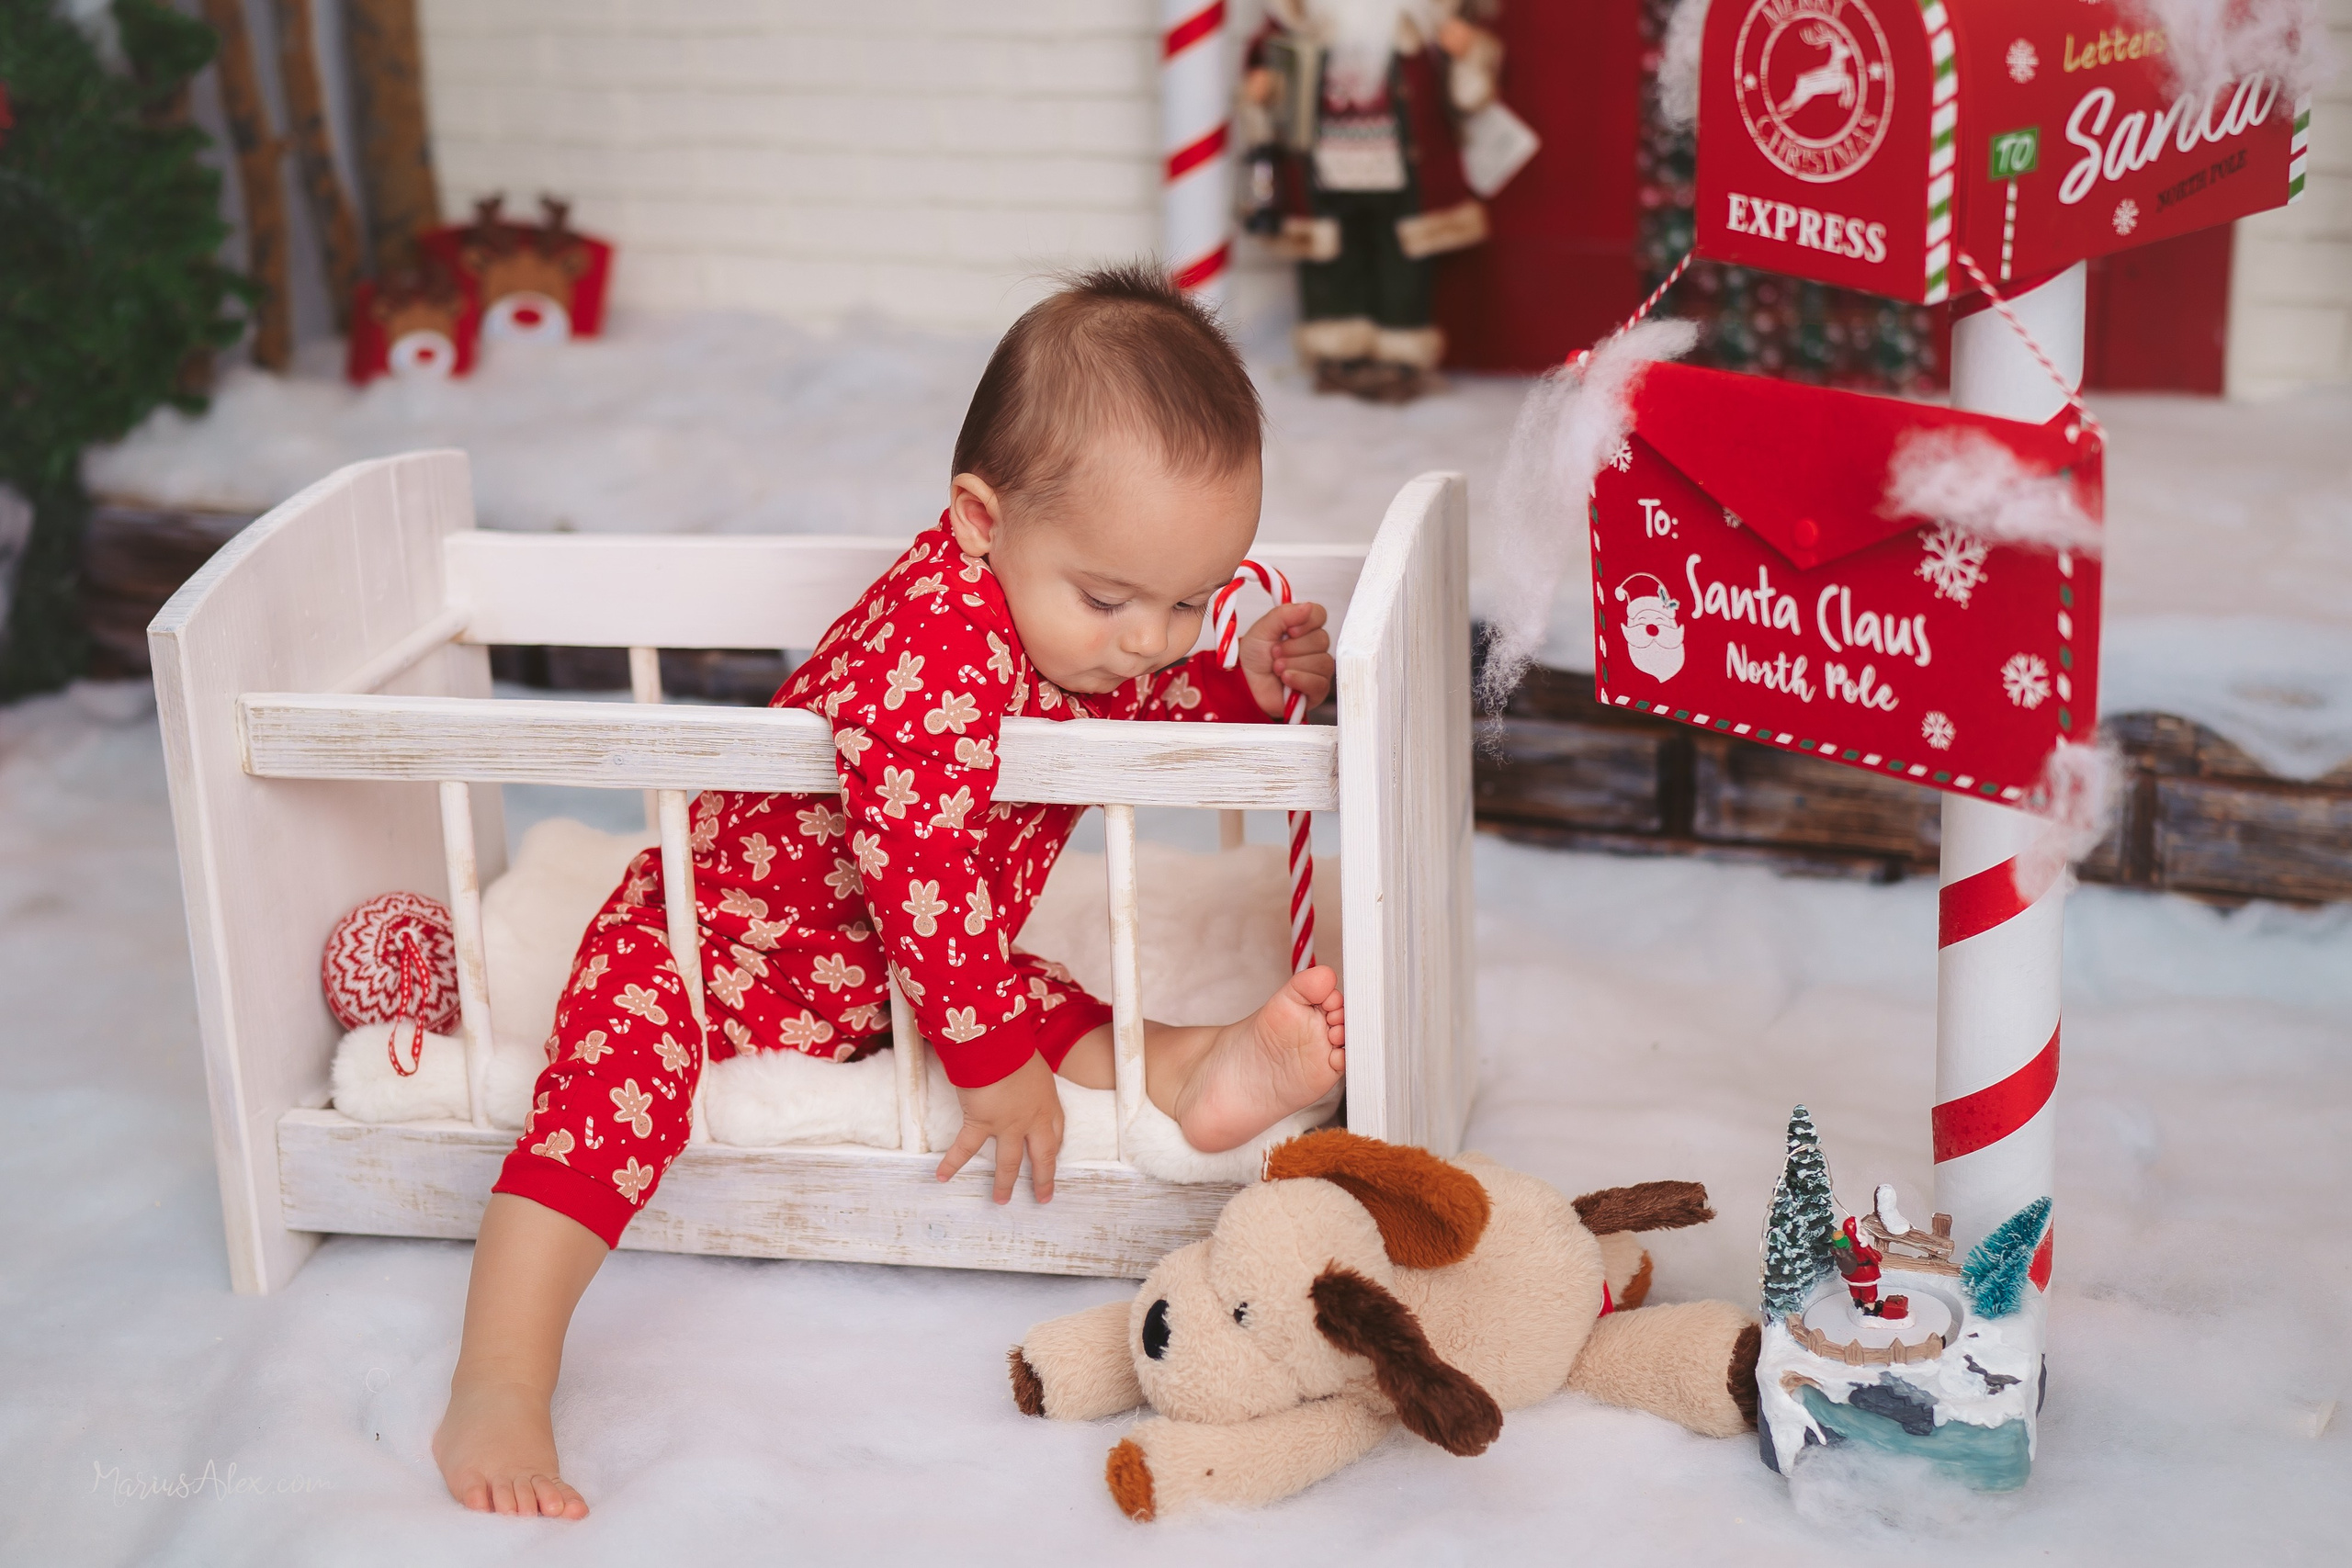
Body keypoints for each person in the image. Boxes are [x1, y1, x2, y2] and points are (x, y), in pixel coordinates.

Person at [432, 264, 1349, 1518]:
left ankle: (1199, 1067)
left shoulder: (1073, 627)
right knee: (605, 1098)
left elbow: (1146, 702)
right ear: (982, 518)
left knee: (1039, 993)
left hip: (888, 967)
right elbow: (919, 868)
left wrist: (1243, 676)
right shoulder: (934, 641)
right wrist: (980, 1053)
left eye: (1189, 599)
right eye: (1114, 599)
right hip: (714, 946)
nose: (1149, 640)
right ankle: (499, 1378)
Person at [1240, 0, 1503, 401]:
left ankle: (1399, 357)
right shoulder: (1301, 17)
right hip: (1323, 168)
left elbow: (1468, 95)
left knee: (1402, 258)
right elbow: (1268, 61)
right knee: (1331, 258)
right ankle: (1337, 353)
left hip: (1403, 170)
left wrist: (1469, 54)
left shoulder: (1424, 22)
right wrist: (1263, 85)